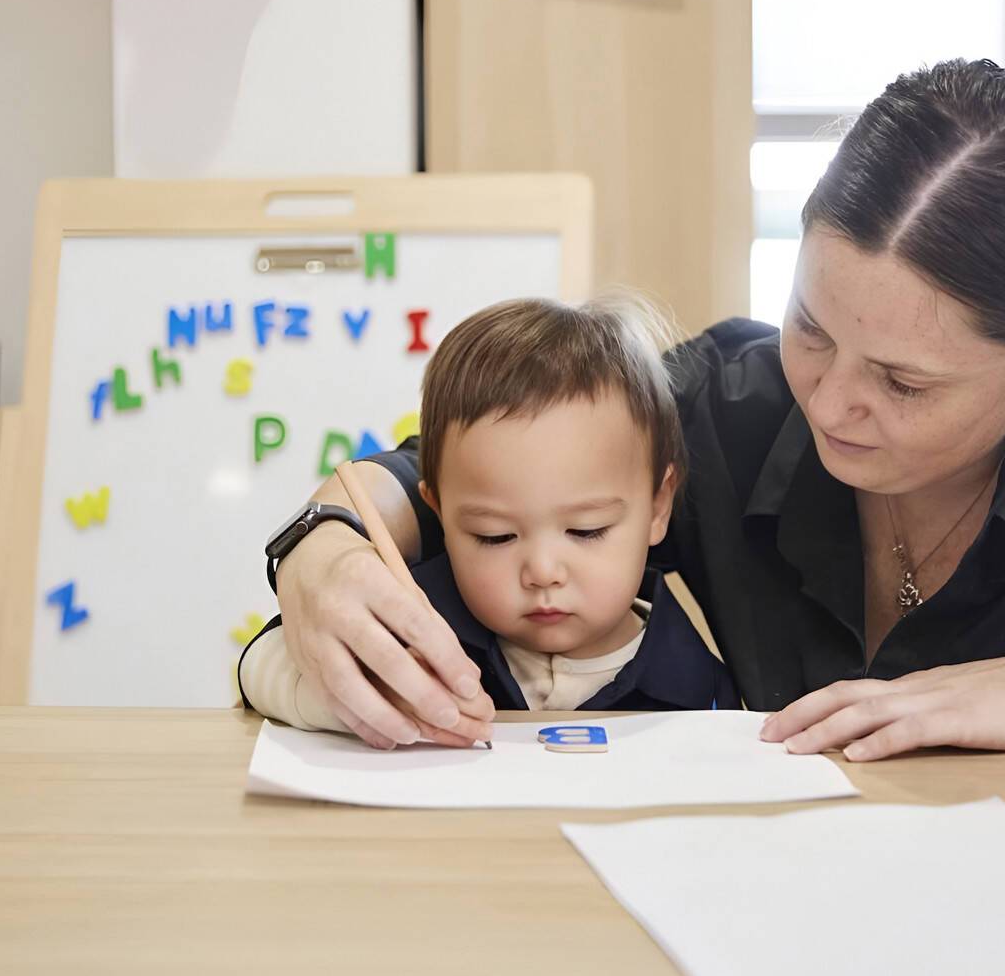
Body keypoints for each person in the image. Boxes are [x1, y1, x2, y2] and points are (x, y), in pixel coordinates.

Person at [265, 58, 1005, 784]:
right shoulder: (728, 409)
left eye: (905, 382)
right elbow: (429, 480)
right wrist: (318, 551)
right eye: (811, 328)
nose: (831, 403)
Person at [239, 297, 736, 744]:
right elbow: (257, 668)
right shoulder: (417, 616)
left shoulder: (698, 679)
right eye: (493, 536)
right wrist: (358, 695)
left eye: (586, 530)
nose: (543, 571)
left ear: (657, 507)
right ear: (438, 514)